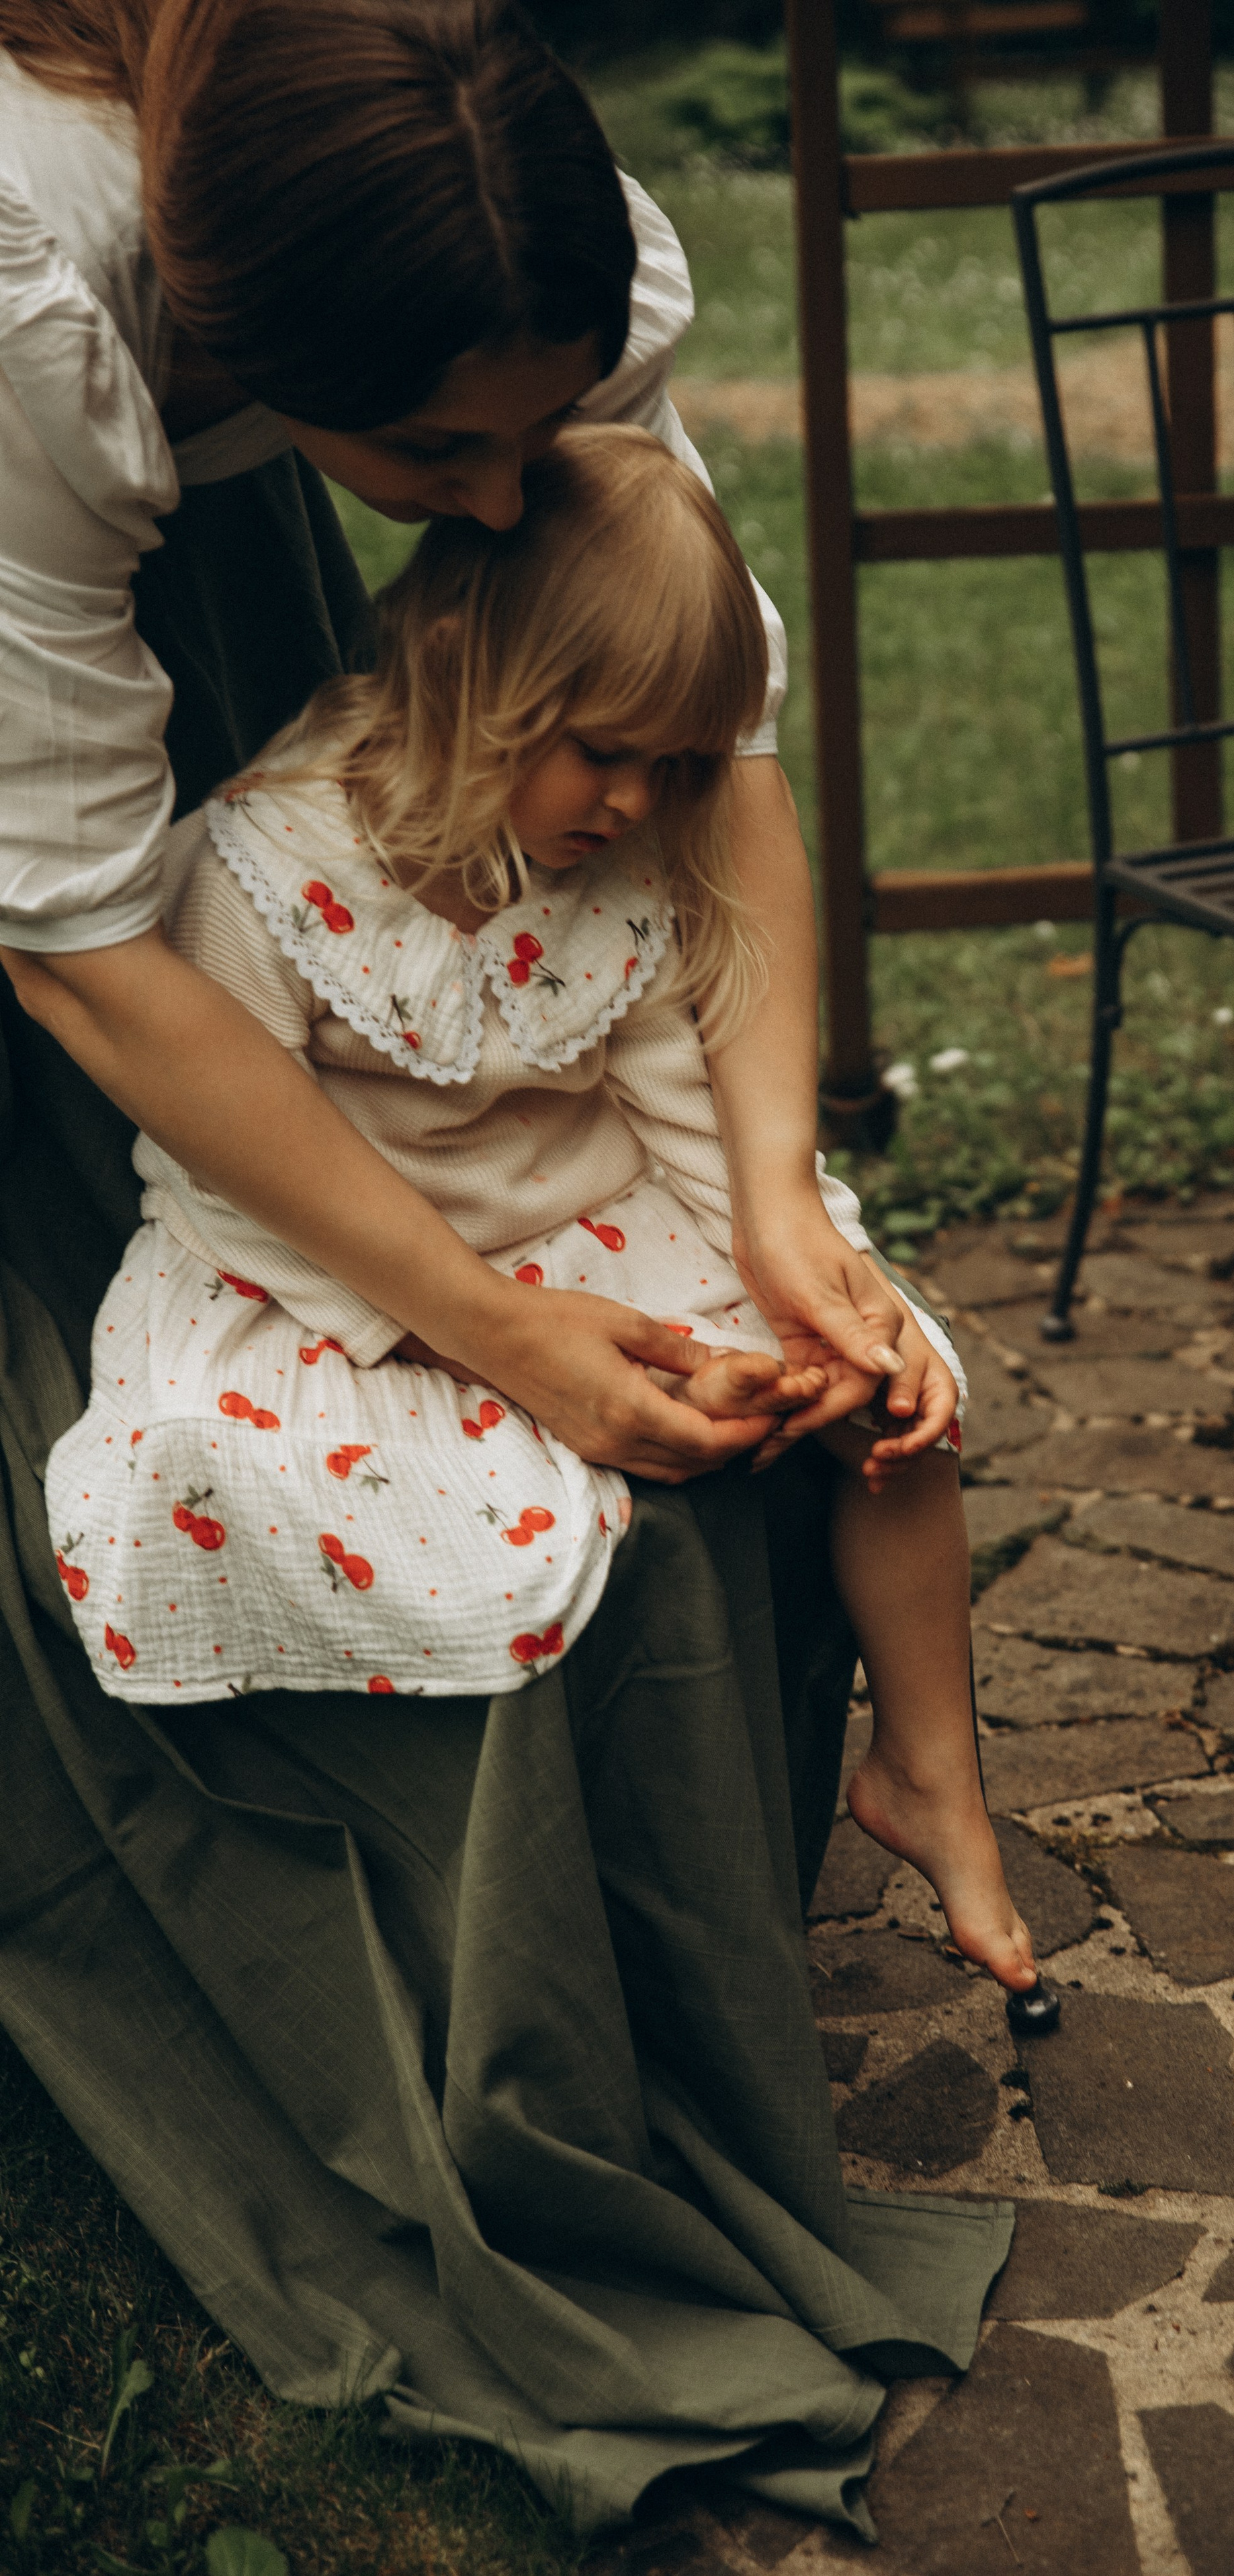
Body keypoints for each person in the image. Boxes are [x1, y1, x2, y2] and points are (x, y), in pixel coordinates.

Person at [0, 0, 1014, 2546]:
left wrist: (774, 1199)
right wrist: (500, 1326)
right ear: (242, 352)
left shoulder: (475, 215)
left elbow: (708, 745)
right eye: (440, 461)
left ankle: (881, 1790)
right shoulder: (39, 304)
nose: (492, 503)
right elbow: (91, 946)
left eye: (529, 436)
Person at [48, 423, 1041, 1993]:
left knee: (890, 1399)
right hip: (344, 1268)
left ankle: (933, 1773)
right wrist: (453, 1331)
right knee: (347, 1488)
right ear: (461, 670)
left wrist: (818, 1278)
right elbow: (218, 1168)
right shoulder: (267, 871)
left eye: (678, 768)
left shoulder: (616, 839)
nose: (638, 802)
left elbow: (679, 1101)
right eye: (604, 752)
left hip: (590, 1217)